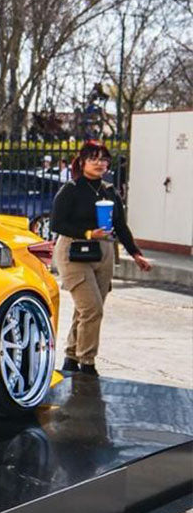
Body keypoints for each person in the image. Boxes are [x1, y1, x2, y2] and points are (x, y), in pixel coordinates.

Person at [50, 140, 152, 376]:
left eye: (104, 159)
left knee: (86, 310)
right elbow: (57, 223)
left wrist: (136, 254)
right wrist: (87, 233)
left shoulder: (109, 191)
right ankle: (87, 362)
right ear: (83, 162)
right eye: (94, 158)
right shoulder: (71, 189)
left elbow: (120, 226)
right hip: (74, 252)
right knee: (92, 308)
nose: (99, 163)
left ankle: (71, 357)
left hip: (103, 251)